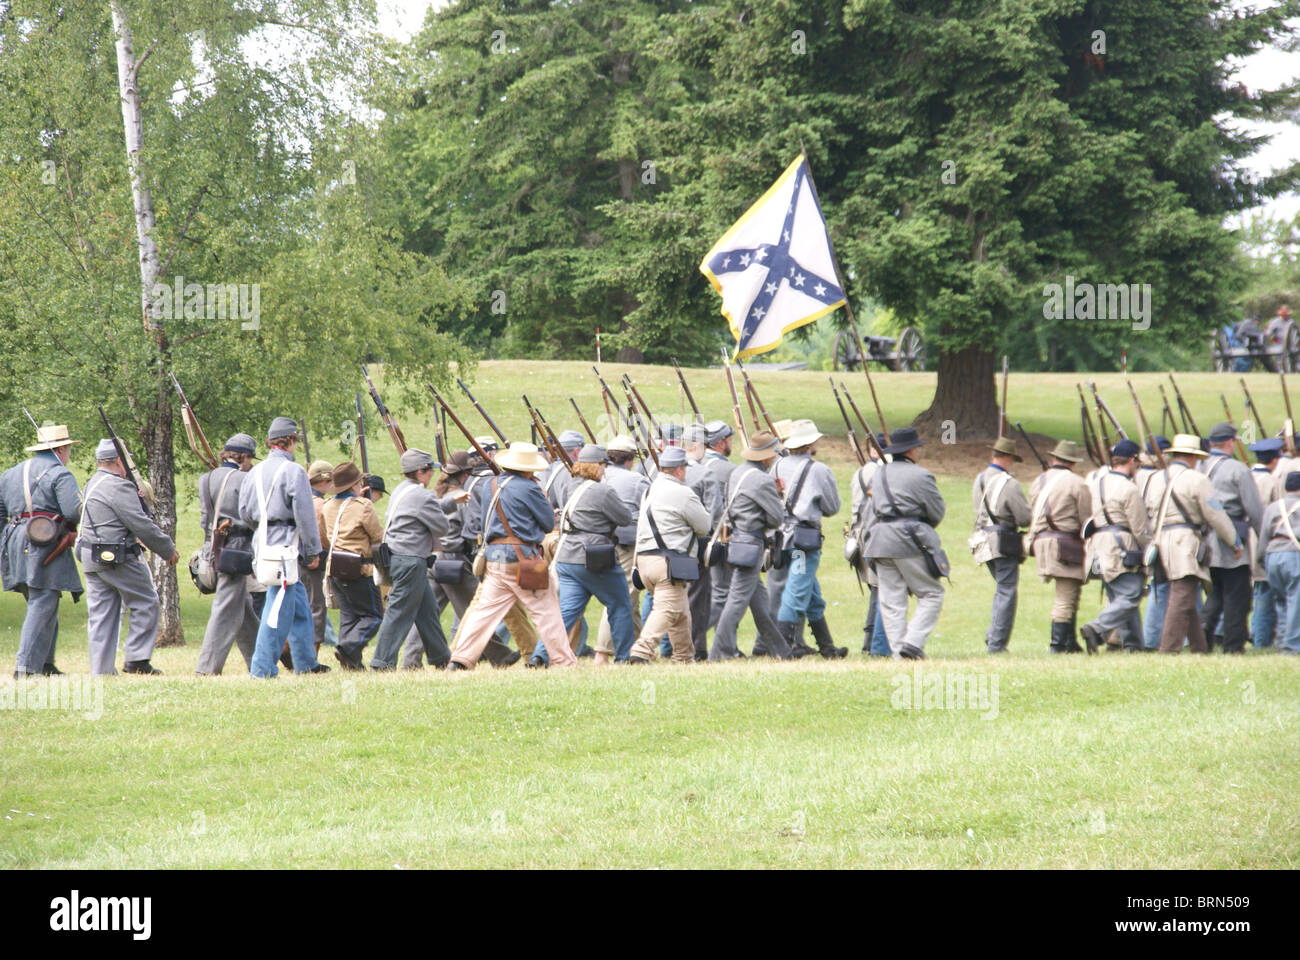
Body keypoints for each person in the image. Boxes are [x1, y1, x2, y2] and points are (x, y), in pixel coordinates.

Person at [450, 442, 576, 670]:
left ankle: (461, 659)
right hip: (523, 559)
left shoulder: (491, 484)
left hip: (494, 558)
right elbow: (548, 523)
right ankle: (564, 662)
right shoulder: (530, 488)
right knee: (547, 613)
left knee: (483, 615)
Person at [77, 438, 178, 675]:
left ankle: (101, 670)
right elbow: (141, 525)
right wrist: (167, 549)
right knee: (146, 601)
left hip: (92, 556)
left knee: (101, 615)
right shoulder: (118, 486)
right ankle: (137, 659)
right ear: (120, 461)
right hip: (119, 556)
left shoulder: (92, 482)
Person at [239, 417, 328, 677]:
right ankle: (262, 667)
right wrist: (312, 550)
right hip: (285, 546)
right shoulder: (294, 472)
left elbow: (244, 512)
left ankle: (306, 662)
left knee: (298, 605)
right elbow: (305, 514)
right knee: (277, 608)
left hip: (262, 542)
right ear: (290, 440)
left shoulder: (254, 472)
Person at [371, 449, 474, 670]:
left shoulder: (403, 490)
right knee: (398, 613)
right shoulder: (422, 495)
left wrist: (450, 502)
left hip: (399, 557)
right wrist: (447, 507)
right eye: (429, 471)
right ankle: (381, 663)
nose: (432, 476)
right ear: (420, 471)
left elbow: (423, 508)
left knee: (428, 613)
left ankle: (440, 658)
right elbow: (442, 527)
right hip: (411, 560)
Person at [1, 424, 82, 678]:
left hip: (13, 541)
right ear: (60, 449)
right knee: (43, 600)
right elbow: (73, 511)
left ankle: (46, 664)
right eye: (67, 448)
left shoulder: (10, 473)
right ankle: (25, 668)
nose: (69, 453)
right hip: (43, 541)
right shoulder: (60, 474)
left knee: (43, 601)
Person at [1150, 434, 1240, 654]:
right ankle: (1169, 650)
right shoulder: (1196, 479)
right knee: (1182, 595)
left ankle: (1199, 649)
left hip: (1160, 540)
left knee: (1187, 596)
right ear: (1192, 457)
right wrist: (1234, 541)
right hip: (1185, 541)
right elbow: (1215, 514)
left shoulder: (1155, 478)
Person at [861, 426, 946, 659]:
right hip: (909, 539)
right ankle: (912, 643)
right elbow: (937, 511)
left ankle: (900, 654)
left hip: (880, 540)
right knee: (931, 594)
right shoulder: (921, 475)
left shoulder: (878, 474)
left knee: (891, 601)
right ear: (911, 451)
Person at [548, 444, 637, 661]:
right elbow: (625, 518)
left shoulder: (569, 486)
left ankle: (541, 655)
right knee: (620, 604)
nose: (605, 470)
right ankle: (623, 658)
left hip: (567, 556)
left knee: (567, 613)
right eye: (603, 465)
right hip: (594, 558)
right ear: (596, 466)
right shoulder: (602, 490)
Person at [711, 431, 793, 660]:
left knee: (759, 602)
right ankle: (720, 652)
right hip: (752, 543)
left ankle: (780, 650)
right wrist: (778, 494)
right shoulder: (763, 480)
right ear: (766, 457)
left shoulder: (737, 472)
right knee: (737, 600)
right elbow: (777, 518)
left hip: (737, 539)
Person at [628, 446, 712, 663]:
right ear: (679, 470)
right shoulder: (683, 493)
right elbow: (704, 527)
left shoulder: (650, 490)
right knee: (667, 610)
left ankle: (684, 658)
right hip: (668, 562)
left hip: (645, 562)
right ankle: (642, 650)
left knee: (681, 613)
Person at [773, 419, 845, 658]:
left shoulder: (776, 466)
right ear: (810, 444)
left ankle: (827, 647)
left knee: (811, 593)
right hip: (804, 540)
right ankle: (783, 646)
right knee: (795, 591)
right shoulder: (819, 470)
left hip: (780, 536)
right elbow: (832, 506)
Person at [194, 434, 261, 675]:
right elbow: (252, 516)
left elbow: (205, 519)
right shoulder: (245, 479)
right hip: (237, 548)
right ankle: (207, 668)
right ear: (244, 457)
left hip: (213, 546)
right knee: (224, 609)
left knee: (241, 608)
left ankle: (260, 661)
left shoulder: (206, 479)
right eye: (250, 458)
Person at [1078, 440, 1150, 654]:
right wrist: (1148, 551)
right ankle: (1097, 628)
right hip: (1121, 545)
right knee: (1131, 594)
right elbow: (1139, 527)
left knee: (1120, 597)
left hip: (1098, 545)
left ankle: (1133, 646)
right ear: (1132, 460)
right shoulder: (1129, 489)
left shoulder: (1097, 482)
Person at [1198, 423, 1263, 653]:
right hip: (1231, 537)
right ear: (1229, 442)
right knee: (1238, 595)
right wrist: (1262, 539)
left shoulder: (1199, 467)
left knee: (1215, 592)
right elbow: (1254, 510)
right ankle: (1233, 646)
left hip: (1203, 539)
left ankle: (1203, 635)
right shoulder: (1238, 469)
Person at [1026, 440, 1092, 653]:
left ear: (1055, 457)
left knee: (1071, 592)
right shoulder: (1077, 483)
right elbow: (1086, 518)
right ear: (1072, 462)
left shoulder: (1039, 480)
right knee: (1065, 596)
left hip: (1042, 542)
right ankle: (1057, 646)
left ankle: (1070, 642)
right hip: (1065, 544)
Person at [319, 461, 385, 669]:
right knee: (373, 616)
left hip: (334, 567)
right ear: (354, 485)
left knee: (349, 617)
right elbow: (377, 537)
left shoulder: (327, 505)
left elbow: (324, 538)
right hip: (360, 568)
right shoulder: (363, 506)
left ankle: (351, 663)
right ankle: (348, 647)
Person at [970, 436, 1032, 653]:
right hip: (1002, 542)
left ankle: (993, 636)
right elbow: (1024, 518)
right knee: (1006, 591)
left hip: (983, 542)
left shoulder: (979, 479)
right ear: (1007, 458)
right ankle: (996, 643)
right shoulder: (1009, 483)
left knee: (1002, 590)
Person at [592, 435, 648, 664]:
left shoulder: (598, 477)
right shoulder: (637, 480)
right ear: (630, 458)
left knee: (629, 599)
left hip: (598, 544)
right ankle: (602, 653)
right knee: (621, 597)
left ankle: (638, 648)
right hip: (626, 544)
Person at [849, 432, 891, 656]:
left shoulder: (860, 472)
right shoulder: (882, 473)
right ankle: (872, 644)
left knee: (877, 589)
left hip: (859, 534)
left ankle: (870, 641)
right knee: (881, 590)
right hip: (875, 534)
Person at [701, 420, 737, 628]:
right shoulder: (729, 470)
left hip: (695, 538)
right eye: (729, 439)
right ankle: (697, 638)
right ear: (721, 442)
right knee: (722, 592)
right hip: (720, 537)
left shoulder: (693, 466)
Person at [1259, 470, 1300, 654]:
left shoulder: (1273, 507)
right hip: (1294, 554)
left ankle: (1283, 640)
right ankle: (1291, 646)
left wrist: (1261, 560)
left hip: (1272, 555)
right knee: (1295, 601)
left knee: (1281, 601)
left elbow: (1264, 536)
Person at [1138, 435, 1172, 650]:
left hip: (1141, 537)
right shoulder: (1160, 478)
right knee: (1160, 588)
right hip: (1154, 537)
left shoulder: (1137, 474)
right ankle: (1151, 639)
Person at [1248, 438, 1283, 647]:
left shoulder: (1246, 475)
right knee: (1265, 592)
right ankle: (1261, 640)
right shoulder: (1271, 482)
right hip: (1263, 540)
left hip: (1245, 540)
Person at [304, 459, 335, 651]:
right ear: (324, 482)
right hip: (315, 560)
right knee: (316, 608)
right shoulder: (320, 505)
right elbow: (326, 537)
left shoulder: (303, 499)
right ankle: (310, 656)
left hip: (299, 560)